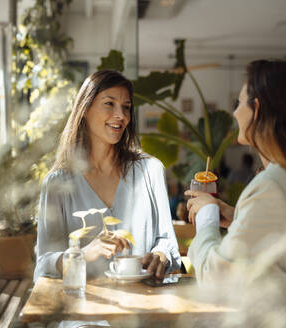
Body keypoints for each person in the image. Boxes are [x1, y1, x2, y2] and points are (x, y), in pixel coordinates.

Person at [185, 60, 286, 289]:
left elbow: (218, 278)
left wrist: (207, 219)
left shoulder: (272, 186)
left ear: (258, 109)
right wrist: (238, 217)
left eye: (239, 102)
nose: (234, 112)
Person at [34, 70, 181, 284]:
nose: (120, 115)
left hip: (145, 308)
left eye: (126, 107)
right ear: (85, 109)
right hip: (82, 311)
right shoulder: (57, 183)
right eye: (109, 104)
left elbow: (167, 242)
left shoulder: (151, 171)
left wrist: (161, 256)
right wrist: (83, 254)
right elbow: (44, 264)